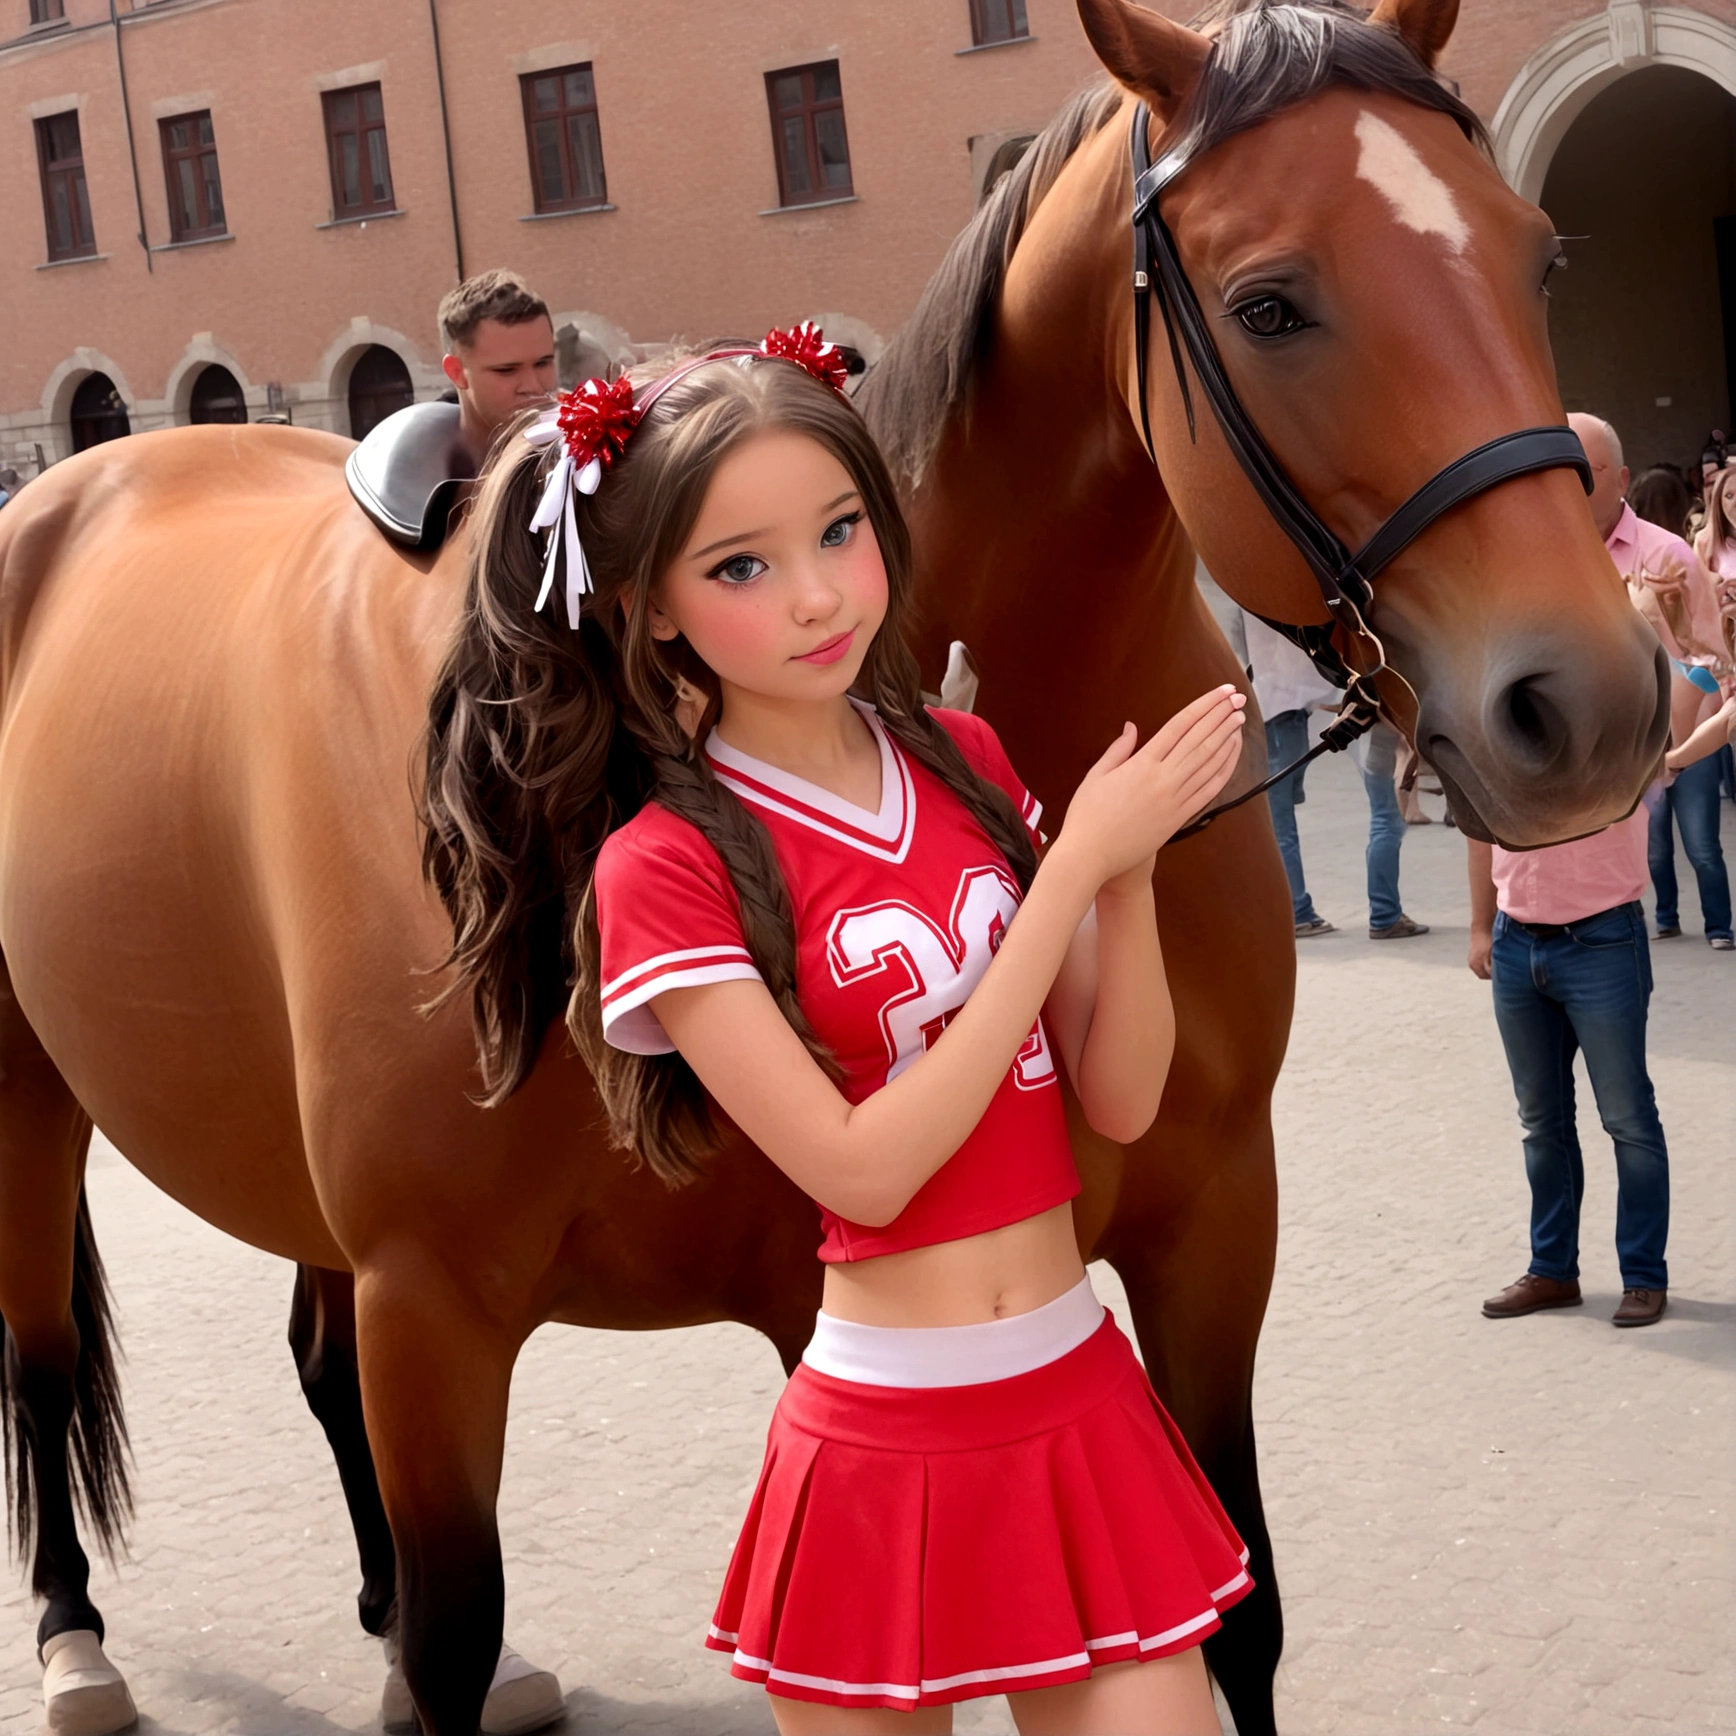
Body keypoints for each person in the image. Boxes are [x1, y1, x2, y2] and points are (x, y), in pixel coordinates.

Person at [426, 328, 1253, 1733]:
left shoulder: (963, 759)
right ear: (651, 607)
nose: (815, 597)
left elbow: (1116, 1100)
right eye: (740, 565)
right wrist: (1063, 884)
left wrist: (1128, 871)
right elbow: (863, 1173)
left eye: (840, 530)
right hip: (888, 1438)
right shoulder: (664, 867)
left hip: (1076, 1390)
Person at [1469, 810, 1672, 1329]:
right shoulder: (1496, 731)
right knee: (1541, 1123)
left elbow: (1658, 759)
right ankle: (1552, 1270)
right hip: (1515, 940)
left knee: (1626, 1118)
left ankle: (1644, 1275)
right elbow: (1477, 825)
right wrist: (1478, 924)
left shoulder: (1617, 727)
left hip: (1602, 937)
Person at [1570, 415, 1730, 949]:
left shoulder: (1667, 555)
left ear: (1621, 478)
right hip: (1600, 743)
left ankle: (1719, 926)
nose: (1574, 485)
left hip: (1683, 737)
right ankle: (1657, 921)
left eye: (1586, 471)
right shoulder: (1552, 559)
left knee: (1701, 844)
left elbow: (1714, 663)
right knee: (1647, 849)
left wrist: (1679, 742)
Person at [1242, 610, 1428, 940]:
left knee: (1283, 821)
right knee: (1383, 815)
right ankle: (1376, 914)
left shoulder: (1248, 593)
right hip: (1311, 705)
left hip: (1284, 706)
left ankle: (1306, 910)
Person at [436, 268, 557, 465]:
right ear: (456, 372)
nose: (533, 386)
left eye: (542, 363)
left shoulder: (588, 458)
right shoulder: (415, 472)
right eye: (506, 370)